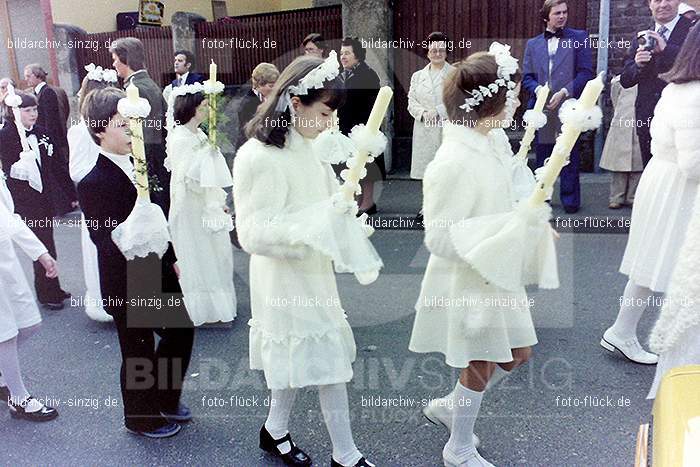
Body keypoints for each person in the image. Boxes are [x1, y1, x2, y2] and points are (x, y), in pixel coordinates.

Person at [233, 54, 374, 467]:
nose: (331, 123)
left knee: (301, 359)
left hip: (312, 272)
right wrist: (315, 226)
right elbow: (252, 232)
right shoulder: (259, 157)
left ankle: (274, 431)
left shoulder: (312, 148)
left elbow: (328, 204)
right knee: (328, 362)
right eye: (326, 111)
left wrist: (346, 216)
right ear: (295, 103)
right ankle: (345, 455)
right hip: (282, 277)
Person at [408, 48, 535, 467]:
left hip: (498, 273)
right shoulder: (452, 161)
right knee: (481, 359)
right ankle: (458, 447)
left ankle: (452, 405)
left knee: (517, 353)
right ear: (489, 103)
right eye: (511, 94)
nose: (517, 101)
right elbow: (441, 239)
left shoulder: (489, 140)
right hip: (470, 275)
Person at [77, 88, 195, 438]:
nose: (132, 130)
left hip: (155, 265)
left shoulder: (142, 164)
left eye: (134, 123)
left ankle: (165, 397)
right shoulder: (93, 181)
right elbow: (105, 238)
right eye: (121, 124)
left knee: (181, 330)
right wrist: (135, 234)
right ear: (99, 129)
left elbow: (159, 218)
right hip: (127, 274)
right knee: (138, 348)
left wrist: (169, 255)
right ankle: (141, 417)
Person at [601, 21, 700, 366]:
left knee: (654, 261)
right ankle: (656, 341)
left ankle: (622, 330)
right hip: (679, 187)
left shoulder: (676, 86)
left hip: (663, 181)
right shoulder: (695, 94)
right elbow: (694, 162)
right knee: (676, 264)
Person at [166, 85, 237, 326]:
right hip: (191, 207)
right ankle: (200, 306)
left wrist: (218, 201)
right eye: (204, 105)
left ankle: (215, 303)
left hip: (204, 203)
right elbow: (188, 178)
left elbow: (209, 175)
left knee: (214, 253)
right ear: (191, 108)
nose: (208, 109)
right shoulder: (181, 139)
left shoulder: (200, 135)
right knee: (197, 253)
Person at [0, 91, 71, 310]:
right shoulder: (5, 136)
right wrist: (19, 168)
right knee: (40, 244)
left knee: (48, 243)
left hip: (45, 198)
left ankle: (53, 287)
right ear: (14, 112)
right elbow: (7, 170)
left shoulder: (42, 132)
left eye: (35, 109)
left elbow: (56, 165)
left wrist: (70, 194)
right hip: (25, 201)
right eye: (27, 110)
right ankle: (47, 293)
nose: (33, 114)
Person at [0, 162, 59, 421]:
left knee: (29, 324)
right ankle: (19, 398)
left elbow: (8, 216)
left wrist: (40, 253)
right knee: (5, 332)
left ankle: (5, 375)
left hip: (5, 260)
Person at [522, 0, 593, 213]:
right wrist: (538, 92)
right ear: (546, 17)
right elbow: (527, 77)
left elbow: (586, 72)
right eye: (557, 13)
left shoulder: (579, 38)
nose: (562, 16)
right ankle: (542, 196)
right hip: (543, 108)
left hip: (568, 105)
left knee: (567, 150)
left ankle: (570, 201)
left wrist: (564, 92)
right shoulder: (533, 44)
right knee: (543, 152)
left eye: (565, 12)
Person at [67, 65, 118, 322]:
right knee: (100, 247)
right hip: (96, 199)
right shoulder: (78, 131)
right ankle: (104, 302)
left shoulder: (118, 126)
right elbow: (76, 169)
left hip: (119, 196)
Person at [620, 0, 693, 167]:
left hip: (683, 118)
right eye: (657, 0)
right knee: (652, 175)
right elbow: (625, 80)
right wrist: (637, 66)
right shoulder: (642, 35)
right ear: (649, 4)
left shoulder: (693, 30)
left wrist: (667, 50)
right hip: (647, 118)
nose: (663, 5)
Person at [109, 37, 170, 212]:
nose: (114, 65)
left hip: (149, 160)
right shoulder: (148, 83)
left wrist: (140, 167)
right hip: (158, 156)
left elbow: (144, 133)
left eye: (115, 60)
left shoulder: (136, 88)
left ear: (125, 60)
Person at [23, 64, 78, 215]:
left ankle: (71, 199)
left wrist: (47, 140)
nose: (26, 79)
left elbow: (51, 120)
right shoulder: (37, 93)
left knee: (58, 170)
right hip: (44, 139)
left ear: (37, 75)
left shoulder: (47, 93)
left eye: (28, 76)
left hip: (50, 139)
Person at [338, 36, 382, 215]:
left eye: (347, 53)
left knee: (367, 165)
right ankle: (356, 199)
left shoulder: (368, 74)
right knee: (351, 165)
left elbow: (371, 103)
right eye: (341, 53)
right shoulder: (343, 75)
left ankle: (368, 202)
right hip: (345, 127)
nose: (343, 56)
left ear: (358, 55)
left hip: (363, 126)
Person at [407, 32, 454, 181]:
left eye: (441, 50)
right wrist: (423, 113)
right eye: (433, 50)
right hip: (424, 127)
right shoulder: (418, 76)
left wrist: (438, 111)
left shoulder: (455, 74)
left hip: (446, 126)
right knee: (426, 175)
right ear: (427, 53)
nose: (437, 54)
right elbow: (411, 101)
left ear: (446, 53)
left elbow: (458, 100)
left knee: (446, 174)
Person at [599, 75, 644, 209]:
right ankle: (616, 197)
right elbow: (615, 100)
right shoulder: (618, 82)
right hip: (622, 124)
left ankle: (632, 196)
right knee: (618, 164)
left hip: (640, 124)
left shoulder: (647, 79)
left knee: (638, 163)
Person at [236, 62, 279, 150]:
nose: (275, 89)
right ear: (259, 85)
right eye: (271, 86)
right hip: (251, 148)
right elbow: (248, 131)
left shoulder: (272, 99)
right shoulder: (247, 104)